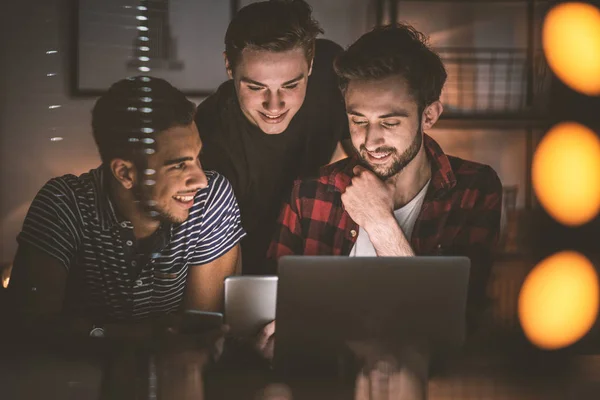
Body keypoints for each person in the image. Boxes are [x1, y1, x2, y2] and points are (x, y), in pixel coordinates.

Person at [263, 23, 503, 398]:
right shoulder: (309, 194)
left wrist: (380, 221)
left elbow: (454, 334)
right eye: (358, 121)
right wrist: (268, 339)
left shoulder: (474, 189)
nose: (370, 141)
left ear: (429, 115)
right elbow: (269, 310)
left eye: (389, 123)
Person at [5, 76, 245, 396]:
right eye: (178, 166)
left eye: (197, 157)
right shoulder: (63, 203)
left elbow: (195, 340)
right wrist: (143, 335)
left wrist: (92, 330)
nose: (199, 179)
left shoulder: (211, 197)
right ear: (125, 173)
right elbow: (32, 330)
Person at [195, 0, 350, 275]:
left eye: (291, 85)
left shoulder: (334, 72)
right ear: (229, 67)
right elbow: (215, 252)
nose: (275, 106)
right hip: (245, 270)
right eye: (256, 87)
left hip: (322, 255)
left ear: (311, 63)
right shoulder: (207, 134)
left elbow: (368, 158)